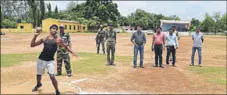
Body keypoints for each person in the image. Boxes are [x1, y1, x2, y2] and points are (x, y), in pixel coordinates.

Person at [30, 25, 77, 95]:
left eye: (55, 29)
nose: (54, 30)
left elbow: (65, 46)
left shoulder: (58, 40)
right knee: (39, 75)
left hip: (50, 61)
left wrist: (72, 52)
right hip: (41, 59)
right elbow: (32, 45)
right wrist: (35, 36)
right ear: (50, 30)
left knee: (52, 76)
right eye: (53, 28)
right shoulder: (44, 38)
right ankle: (38, 84)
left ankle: (57, 91)